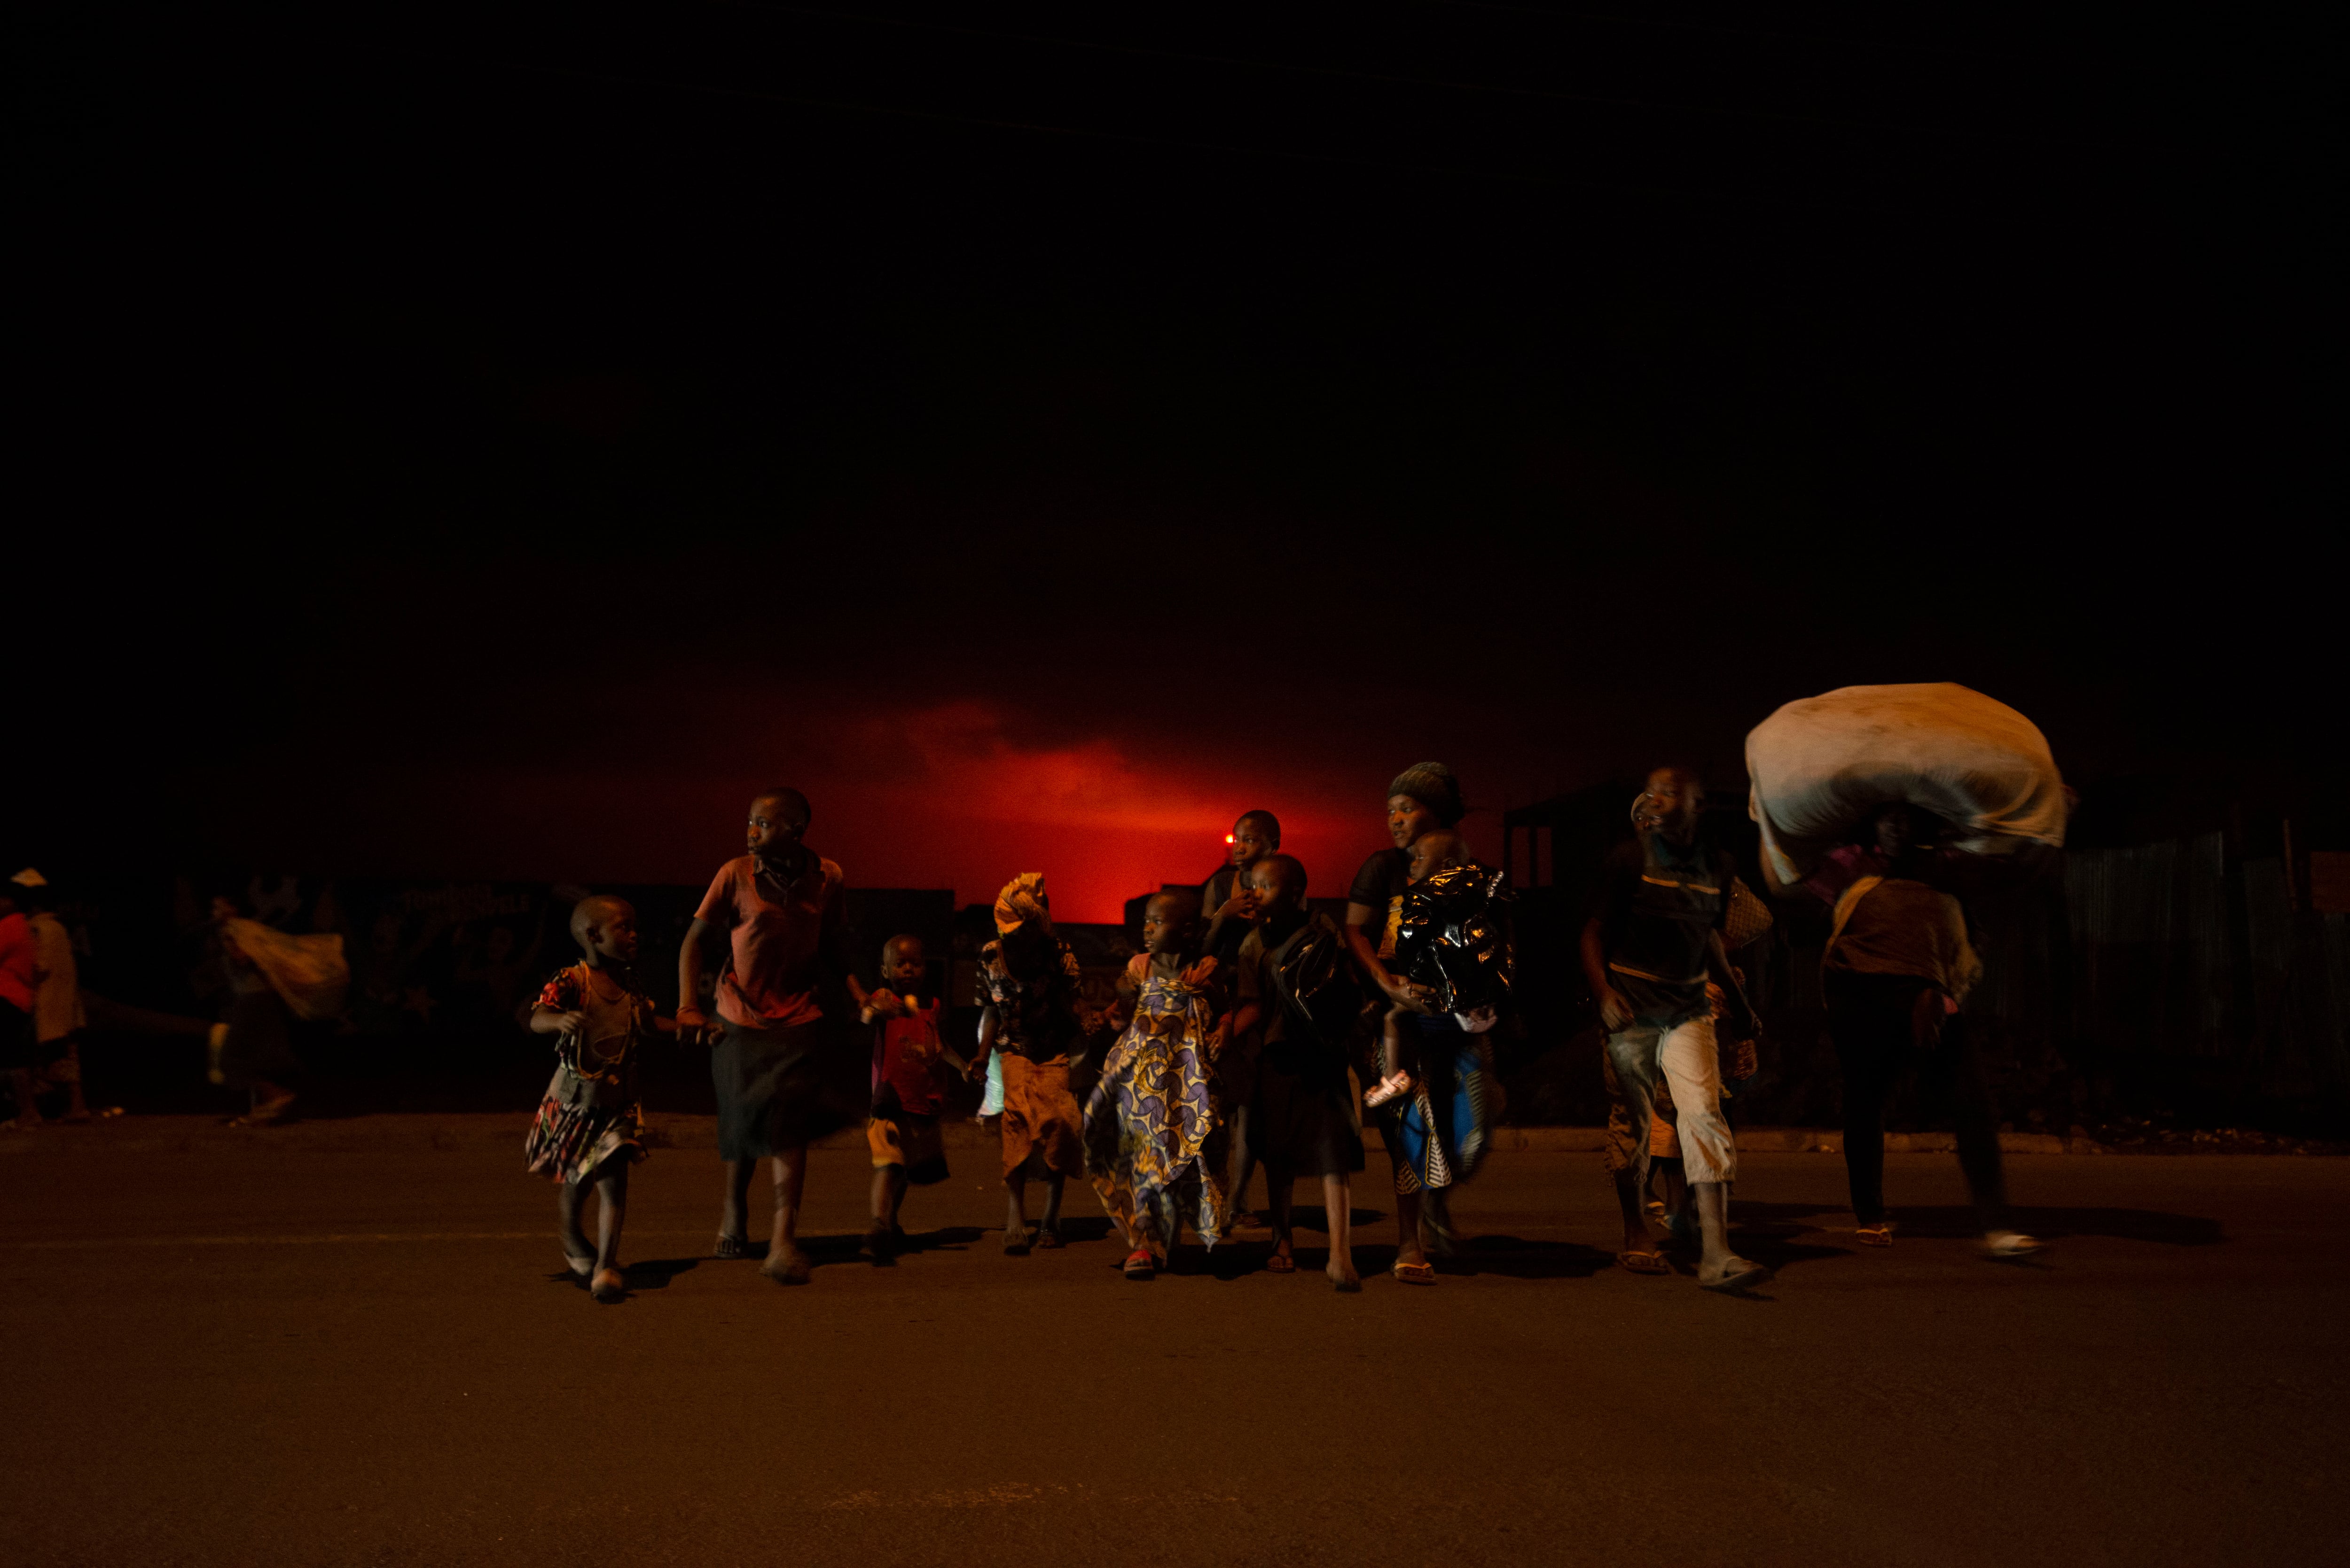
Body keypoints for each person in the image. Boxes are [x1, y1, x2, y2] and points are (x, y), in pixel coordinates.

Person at [1823, 803, 2041, 1258]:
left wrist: (2051, 819)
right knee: (1865, 1103)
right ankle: (1870, 1214)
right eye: (1890, 824)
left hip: (1929, 998)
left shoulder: (1947, 871)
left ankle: (1996, 1224)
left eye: (1908, 824)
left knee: (1972, 1106)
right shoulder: (1854, 868)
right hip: (1862, 999)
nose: (1898, 831)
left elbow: (2013, 870)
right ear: (1878, 838)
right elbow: (1793, 868)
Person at [1581, 766, 1769, 1292]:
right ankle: (1636, 1228)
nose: (1657, 801)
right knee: (1635, 1123)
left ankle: (1715, 1251)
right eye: (1651, 793)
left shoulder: (1718, 866)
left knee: (1704, 1117)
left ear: (1697, 805)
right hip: (1633, 1011)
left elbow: (1711, 936)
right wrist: (1604, 994)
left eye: (1668, 794)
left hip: (1688, 1011)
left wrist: (1739, 1005)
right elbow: (1591, 933)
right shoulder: (1627, 861)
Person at [676, 788, 855, 1286]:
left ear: (795, 830)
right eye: (750, 821)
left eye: (763, 823)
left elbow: (834, 946)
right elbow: (693, 941)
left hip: (799, 1018)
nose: (750, 830)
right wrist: (688, 1006)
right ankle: (734, 1211)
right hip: (737, 1016)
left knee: (788, 1128)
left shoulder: (828, 878)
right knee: (742, 1121)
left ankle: (783, 1237)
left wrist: (860, 991)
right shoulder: (734, 874)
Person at [1367, 831, 1509, 1285]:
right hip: (1421, 1036)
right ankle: (1420, 1229)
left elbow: (1497, 963)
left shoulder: (1480, 909)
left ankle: (1436, 1206)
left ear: (1449, 864)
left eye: (1421, 859)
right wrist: (1407, 985)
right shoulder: (1408, 908)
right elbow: (1393, 965)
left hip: (1466, 1038)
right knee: (1421, 1133)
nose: (1411, 865)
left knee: (1471, 1137)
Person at [1343, 763, 1470, 1257]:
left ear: (1433, 814)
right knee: (1408, 1125)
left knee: (1460, 1122)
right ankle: (1408, 1241)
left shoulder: (1461, 866)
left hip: (1450, 1013)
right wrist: (1385, 984)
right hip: (1392, 1006)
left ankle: (1437, 1206)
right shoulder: (1382, 867)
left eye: (1405, 808)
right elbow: (1355, 930)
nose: (1393, 819)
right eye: (1388, 811)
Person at [525, 895, 674, 1303]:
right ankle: (571, 1234)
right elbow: (537, 1016)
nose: (633, 935)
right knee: (578, 1183)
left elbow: (646, 1023)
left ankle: (606, 1265)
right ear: (593, 935)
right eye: (624, 927)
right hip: (577, 1102)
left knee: (614, 1183)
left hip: (617, 1102)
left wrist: (687, 1027)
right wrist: (559, 1020)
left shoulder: (630, 981)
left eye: (634, 928)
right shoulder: (572, 981)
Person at [1230, 854, 1363, 1291]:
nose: (1255, 894)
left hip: (1322, 1055)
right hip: (1277, 1057)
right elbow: (1253, 1004)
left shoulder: (1324, 933)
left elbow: (1346, 992)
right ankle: (1281, 1238)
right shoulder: (1253, 944)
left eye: (1264, 886)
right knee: (1279, 1155)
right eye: (1251, 886)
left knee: (1333, 1154)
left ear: (1293, 892)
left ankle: (1339, 1252)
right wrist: (1221, 1034)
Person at [1086, 889, 1232, 1280]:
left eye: (1157, 922)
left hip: (1186, 1083)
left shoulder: (1204, 971)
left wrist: (1224, 1029)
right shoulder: (1139, 967)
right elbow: (1123, 1004)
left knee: (1183, 1158)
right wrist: (1117, 997)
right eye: (1146, 921)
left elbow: (1224, 1009)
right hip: (1140, 1086)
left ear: (1185, 930)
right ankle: (1141, 1244)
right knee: (1142, 1159)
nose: (1147, 929)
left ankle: (1171, 1236)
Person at [972, 874, 1093, 1255]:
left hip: (1054, 1051)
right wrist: (981, 1053)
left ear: (1037, 926)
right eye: (1005, 929)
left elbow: (1075, 1006)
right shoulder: (991, 955)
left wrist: (1088, 1021)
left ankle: (1051, 1218)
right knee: (1017, 1125)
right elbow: (992, 1010)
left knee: (1060, 1125)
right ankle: (1015, 1217)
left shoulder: (1059, 955)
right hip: (1015, 1051)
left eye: (1019, 930)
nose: (1010, 937)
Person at [859, 935, 969, 1258]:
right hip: (890, 1099)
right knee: (889, 1164)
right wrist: (874, 1009)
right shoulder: (885, 998)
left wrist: (962, 1066)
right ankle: (878, 1226)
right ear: (886, 969)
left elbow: (939, 1046)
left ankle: (890, 1221)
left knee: (905, 1170)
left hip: (919, 1103)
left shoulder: (931, 1008)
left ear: (925, 967)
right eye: (900, 963)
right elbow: (868, 1014)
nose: (908, 969)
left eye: (915, 963)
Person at [1199, 810, 1279, 1225]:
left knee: (1250, 1104)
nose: (1241, 846)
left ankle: (1237, 1198)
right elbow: (1203, 945)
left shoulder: (1279, 879)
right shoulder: (1218, 885)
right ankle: (1216, 1193)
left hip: (1260, 998)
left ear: (1272, 845)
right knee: (1219, 1100)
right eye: (1238, 838)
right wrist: (1224, 915)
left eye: (1251, 839)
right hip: (1222, 997)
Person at [10, 872, 112, 1123]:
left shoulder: (37, 929)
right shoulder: (57, 927)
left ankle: (38, 1110)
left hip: (47, 1004)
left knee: (41, 1059)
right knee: (67, 1057)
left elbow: (40, 967)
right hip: (66, 1005)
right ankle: (77, 1107)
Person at [0, 882, 43, 1131]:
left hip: (6, 997)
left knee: (14, 1060)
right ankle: (29, 1111)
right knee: (17, 1059)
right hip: (20, 998)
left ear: (11, 902)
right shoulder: (24, 926)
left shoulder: (8, 925)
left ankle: (28, 1111)